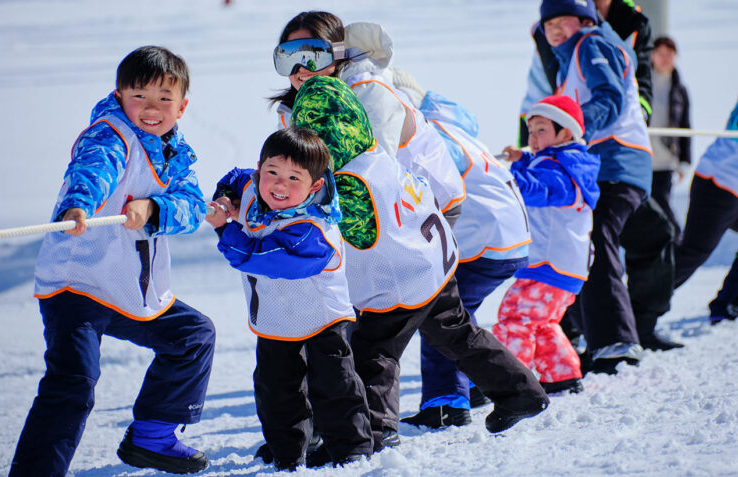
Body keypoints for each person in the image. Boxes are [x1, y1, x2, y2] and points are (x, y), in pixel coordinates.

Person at [273, 13, 532, 430]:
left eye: (313, 54)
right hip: (381, 216)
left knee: (374, 330)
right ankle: (518, 393)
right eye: (287, 57)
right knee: (438, 323)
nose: (301, 68)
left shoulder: (367, 91)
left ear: (338, 54)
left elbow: (373, 168)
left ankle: (371, 428)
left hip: (408, 213)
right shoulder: (303, 107)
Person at [9, 46, 215, 476]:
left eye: (164, 99)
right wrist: (78, 206)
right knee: (74, 383)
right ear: (120, 95)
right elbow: (92, 170)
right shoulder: (109, 134)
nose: (151, 109)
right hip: (77, 285)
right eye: (139, 96)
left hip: (127, 287)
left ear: (182, 106)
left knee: (192, 335)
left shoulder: (177, 153)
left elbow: (192, 207)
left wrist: (154, 208)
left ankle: (152, 438)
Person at [205, 127, 373, 470]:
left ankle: (352, 448)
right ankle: (287, 450)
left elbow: (259, 256)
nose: (279, 186)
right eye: (272, 173)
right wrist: (224, 197)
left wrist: (225, 227)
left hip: (323, 317)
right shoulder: (254, 188)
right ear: (260, 169)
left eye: (293, 178)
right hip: (274, 316)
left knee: (334, 383)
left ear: (314, 186)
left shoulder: (313, 229)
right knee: (276, 388)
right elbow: (235, 178)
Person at [537, 0, 654, 373]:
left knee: (596, 238)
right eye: (549, 23)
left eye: (563, 19)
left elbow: (609, 98)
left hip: (617, 161)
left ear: (585, 19)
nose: (555, 29)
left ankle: (616, 342)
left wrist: (570, 130)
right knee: (583, 243)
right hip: (598, 165)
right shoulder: (570, 58)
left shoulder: (590, 44)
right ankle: (591, 337)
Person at [495, 94, 600, 394]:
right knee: (540, 323)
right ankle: (562, 376)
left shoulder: (562, 170)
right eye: (531, 131)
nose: (534, 137)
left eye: (542, 130)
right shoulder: (566, 163)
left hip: (548, 264)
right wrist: (523, 159)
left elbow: (538, 188)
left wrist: (506, 177)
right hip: (562, 265)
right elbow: (544, 171)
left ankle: (513, 385)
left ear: (566, 132)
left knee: (514, 317)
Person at [674, 101, 738, 313]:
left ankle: (728, 303)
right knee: (692, 253)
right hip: (720, 181)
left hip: (727, 182)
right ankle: (633, 309)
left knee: (691, 252)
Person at [649, 35, 691, 232]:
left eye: (670, 54)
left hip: (666, 159)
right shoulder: (641, 84)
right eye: (661, 54)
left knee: (662, 205)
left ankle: (676, 242)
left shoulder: (679, 90)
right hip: (642, 156)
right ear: (652, 56)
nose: (665, 59)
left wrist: (684, 160)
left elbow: (685, 126)